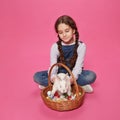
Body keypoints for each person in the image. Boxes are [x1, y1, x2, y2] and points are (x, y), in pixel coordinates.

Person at [33, 15, 96, 93]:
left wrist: (71, 79)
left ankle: (55, 86)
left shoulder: (81, 46)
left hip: (73, 75)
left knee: (91, 76)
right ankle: (75, 86)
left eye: (67, 31)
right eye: (60, 32)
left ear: (73, 30)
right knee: (37, 76)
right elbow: (54, 66)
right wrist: (54, 78)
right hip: (59, 75)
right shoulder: (55, 47)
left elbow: (78, 67)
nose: (64, 35)